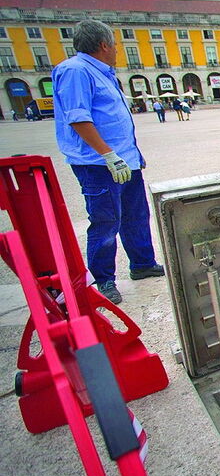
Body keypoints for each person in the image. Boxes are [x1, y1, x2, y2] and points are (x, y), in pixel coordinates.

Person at [51, 19, 165, 305]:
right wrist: (109, 155)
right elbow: (78, 118)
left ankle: (142, 263)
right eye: (114, 43)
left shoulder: (104, 73)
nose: (117, 49)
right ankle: (103, 279)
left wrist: (130, 154)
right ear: (103, 45)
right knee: (105, 221)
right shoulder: (75, 71)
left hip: (125, 161)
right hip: (99, 164)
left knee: (136, 215)